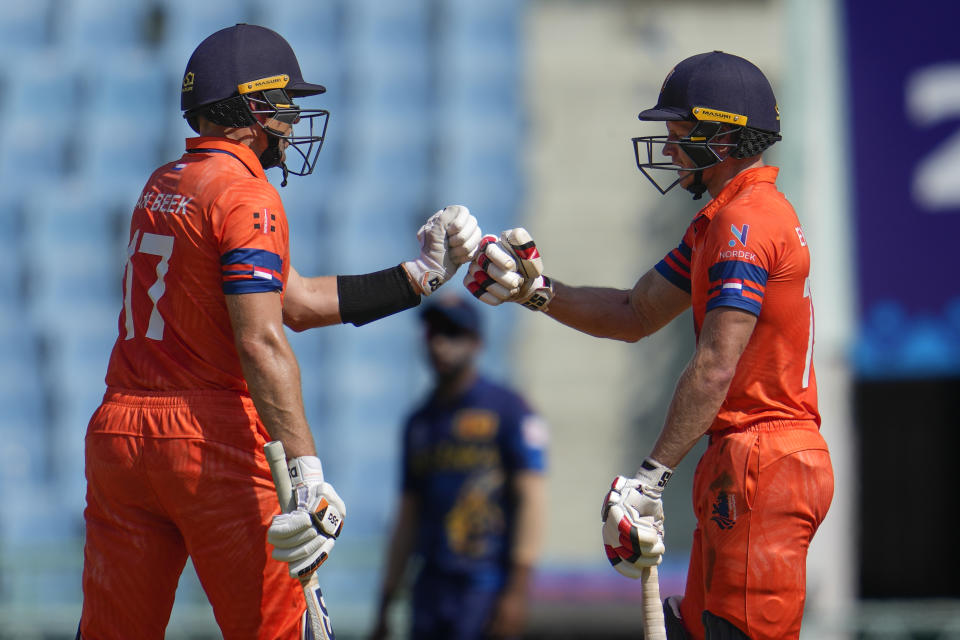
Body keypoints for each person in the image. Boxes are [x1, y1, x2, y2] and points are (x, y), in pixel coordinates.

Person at [77, 24, 481, 639]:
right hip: (208, 442)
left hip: (120, 433)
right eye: (283, 104)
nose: (292, 122)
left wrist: (418, 275)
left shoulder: (164, 182)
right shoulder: (248, 197)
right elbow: (262, 339)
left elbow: (292, 300)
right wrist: (306, 470)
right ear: (248, 108)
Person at [464, 51, 834, 640]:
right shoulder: (724, 219)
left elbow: (716, 365)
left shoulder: (746, 224)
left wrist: (649, 477)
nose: (667, 149)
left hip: (764, 454)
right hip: (746, 455)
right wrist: (536, 291)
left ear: (721, 134)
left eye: (679, 133)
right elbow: (634, 313)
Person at [370, 295, 548, 640]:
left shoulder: (508, 410)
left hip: (486, 585)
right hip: (430, 588)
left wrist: (517, 590)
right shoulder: (419, 422)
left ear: (476, 342)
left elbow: (532, 499)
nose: (439, 343)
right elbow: (407, 515)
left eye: (452, 332)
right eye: (433, 331)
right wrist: (386, 602)